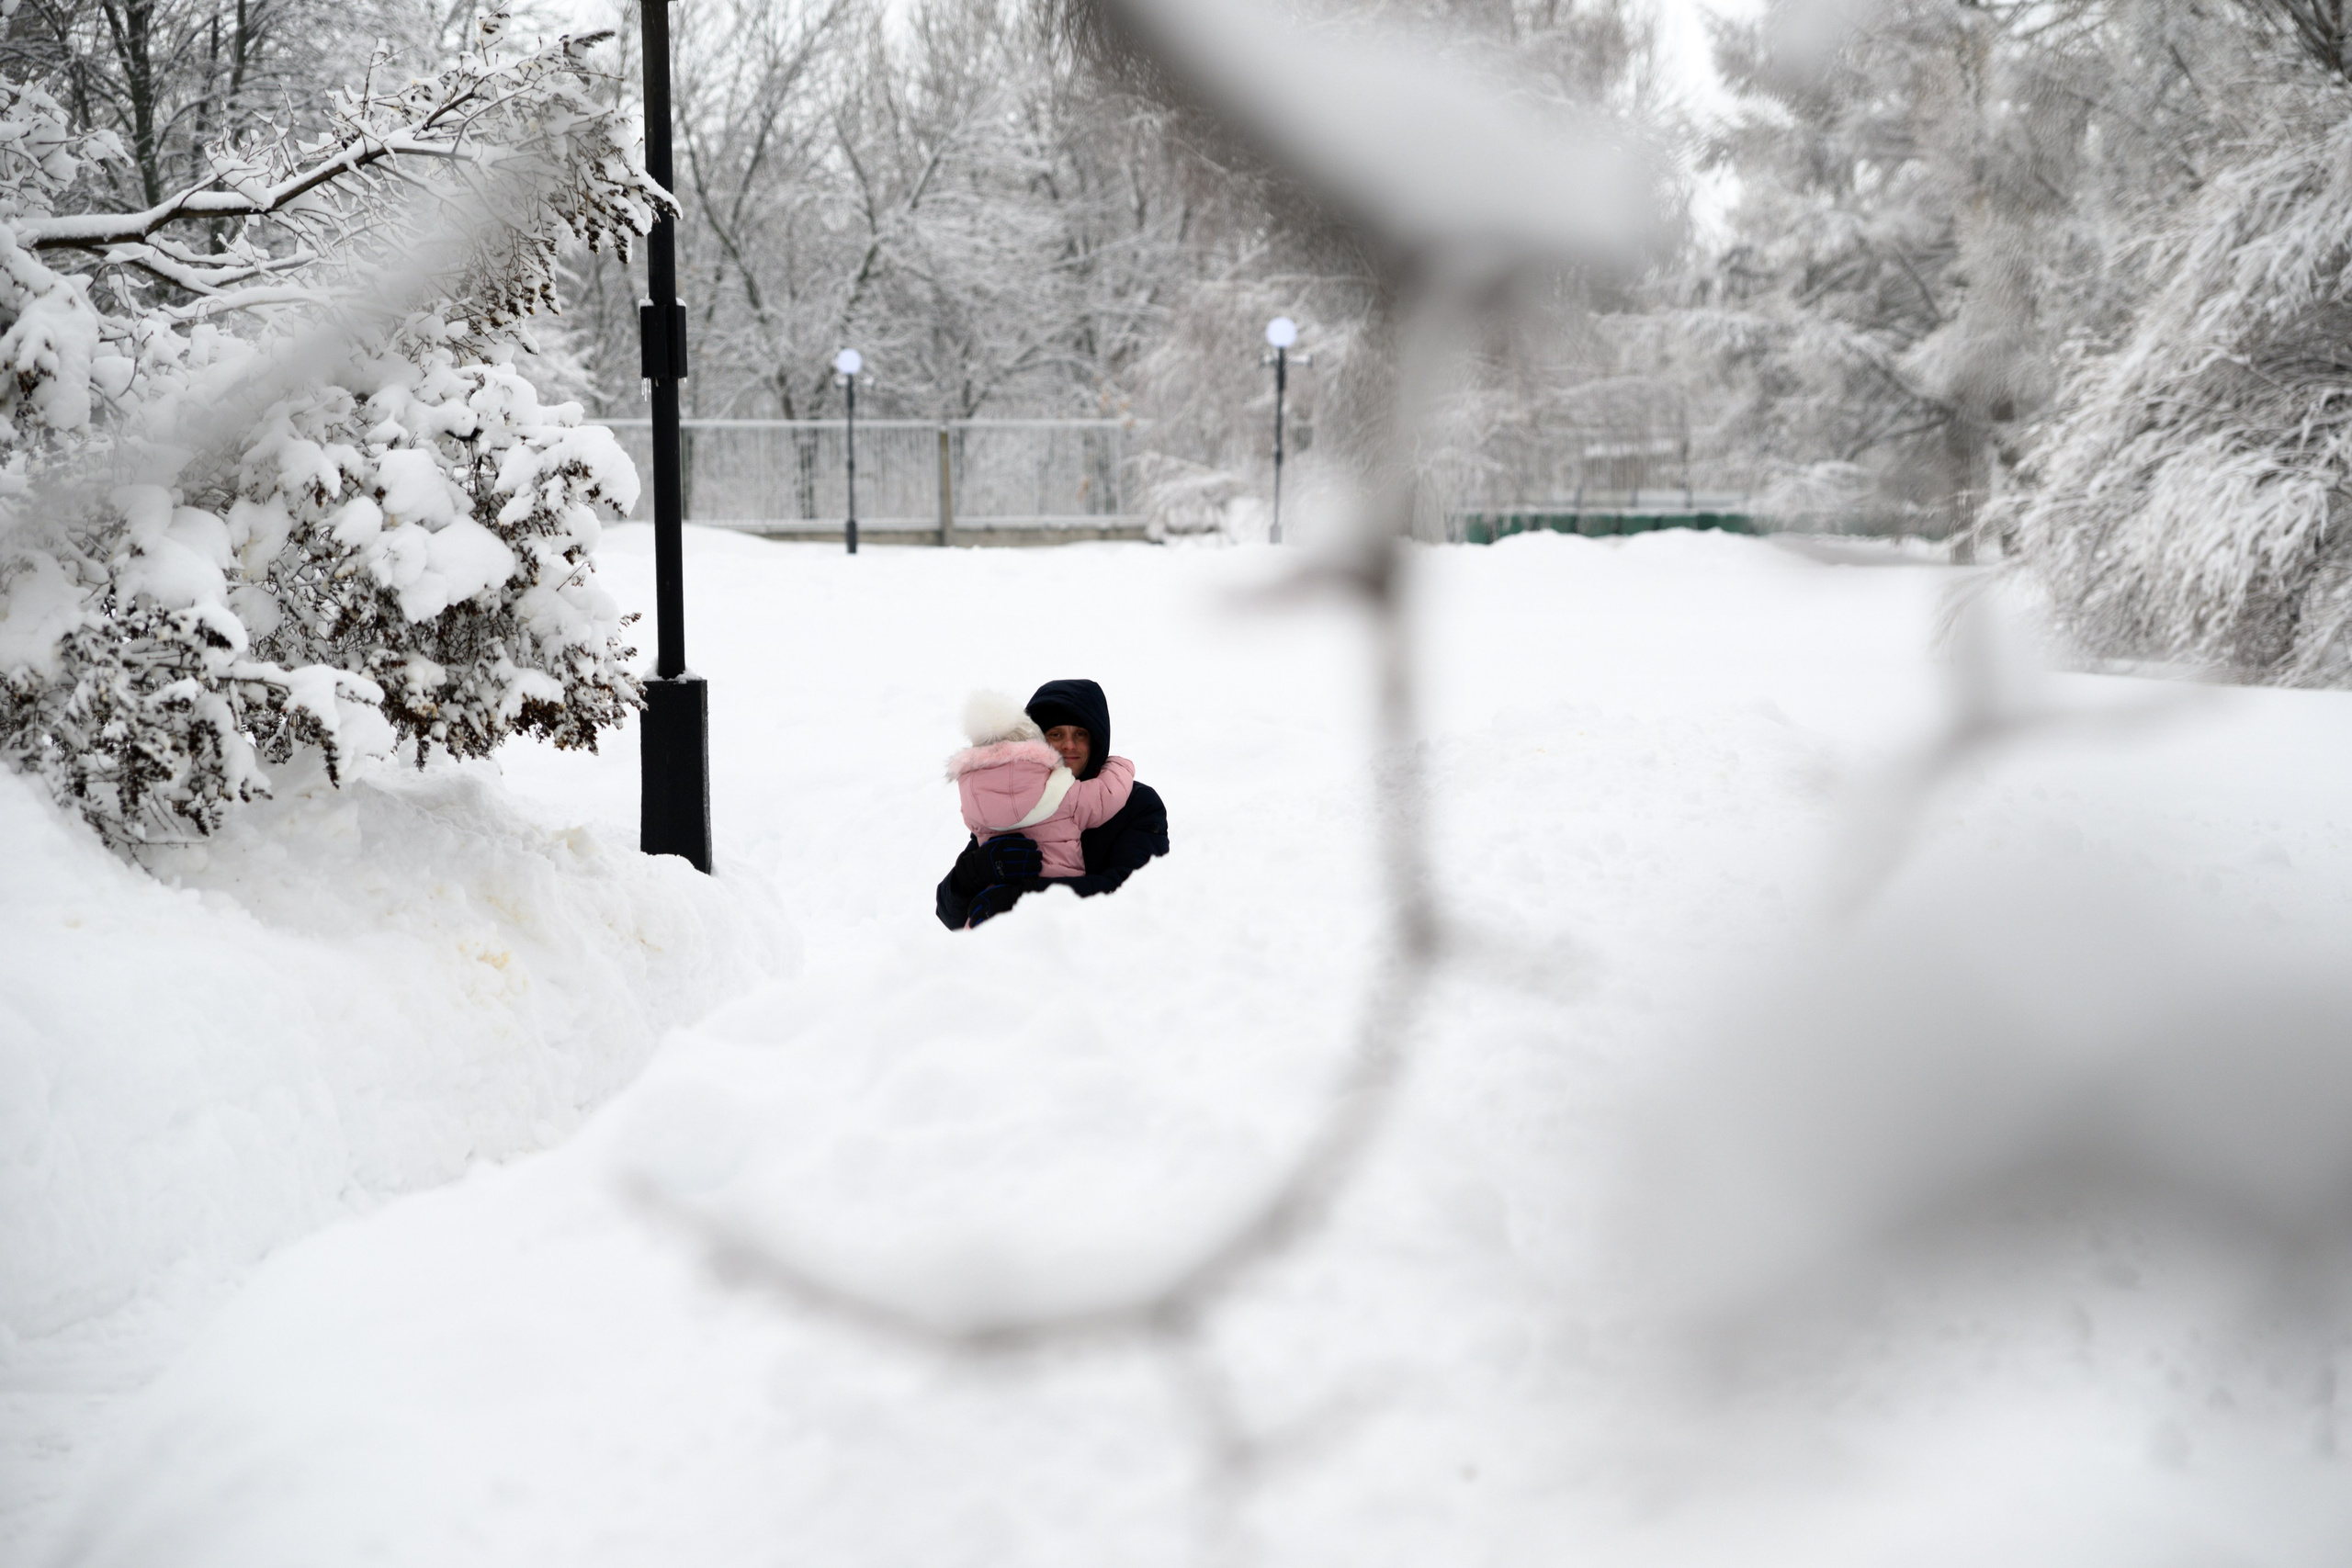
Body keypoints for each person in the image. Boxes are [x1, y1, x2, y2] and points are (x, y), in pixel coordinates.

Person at [935, 677, 1170, 930]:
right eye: (1056, 734)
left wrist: (1021, 898)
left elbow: (1133, 894)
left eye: (1081, 734)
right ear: (1037, 742)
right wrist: (974, 873)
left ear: (1097, 741)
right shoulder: (1018, 803)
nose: (1069, 744)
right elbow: (949, 914)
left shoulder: (1136, 803)